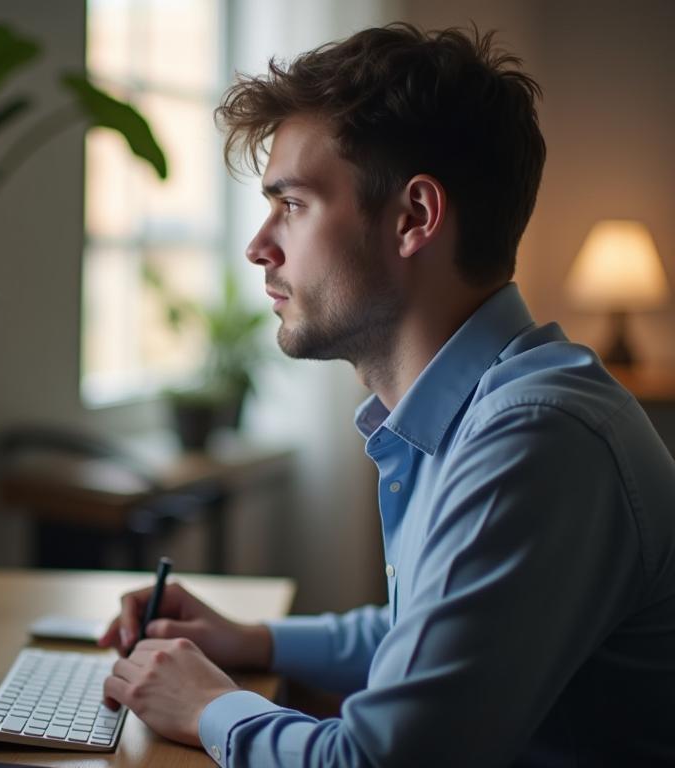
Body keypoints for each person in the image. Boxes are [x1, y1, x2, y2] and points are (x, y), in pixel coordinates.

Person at [97, 22, 675, 767]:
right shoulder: (484, 412)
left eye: (293, 204)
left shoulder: (537, 437)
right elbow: (426, 638)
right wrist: (253, 641)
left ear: (415, 218)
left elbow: (379, 762)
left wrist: (209, 705)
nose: (259, 245)